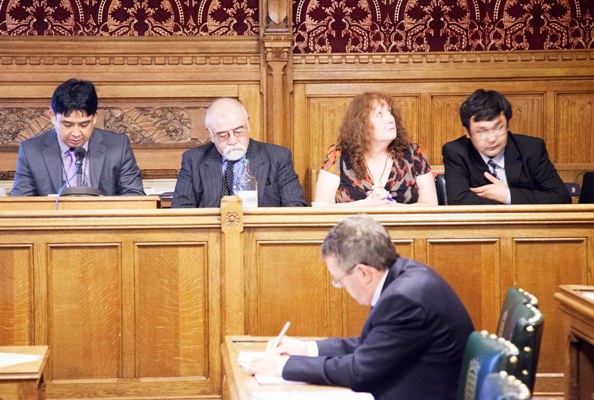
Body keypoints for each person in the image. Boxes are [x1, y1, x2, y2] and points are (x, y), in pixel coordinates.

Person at [249, 215, 474, 400]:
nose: (339, 286)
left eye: (338, 279)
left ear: (363, 272)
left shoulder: (404, 299)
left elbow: (360, 371)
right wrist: (306, 349)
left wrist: (283, 366)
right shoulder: (404, 275)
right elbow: (372, 346)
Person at [11, 78, 145, 196]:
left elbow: (135, 196)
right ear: (53, 117)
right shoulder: (31, 151)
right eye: (67, 125)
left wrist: (104, 204)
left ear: (94, 117)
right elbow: (21, 203)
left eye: (84, 124)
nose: (76, 133)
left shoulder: (118, 147)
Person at [442, 89, 570, 205]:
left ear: (508, 126)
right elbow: (458, 199)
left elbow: (561, 197)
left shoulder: (532, 149)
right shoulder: (456, 152)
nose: (492, 139)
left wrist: (508, 196)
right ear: (467, 132)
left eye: (498, 128)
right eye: (482, 131)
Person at [172, 98, 306, 207]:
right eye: (223, 135)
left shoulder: (278, 157)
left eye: (238, 131)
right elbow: (181, 212)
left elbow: (294, 206)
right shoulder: (193, 160)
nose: (232, 140)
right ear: (211, 134)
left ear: (248, 124)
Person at [314, 92, 438, 206]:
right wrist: (365, 205)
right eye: (379, 114)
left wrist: (393, 206)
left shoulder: (414, 154)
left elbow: (431, 206)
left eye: (389, 112)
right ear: (362, 126)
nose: (390, 119)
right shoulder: (338, 155)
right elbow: (322, 208)